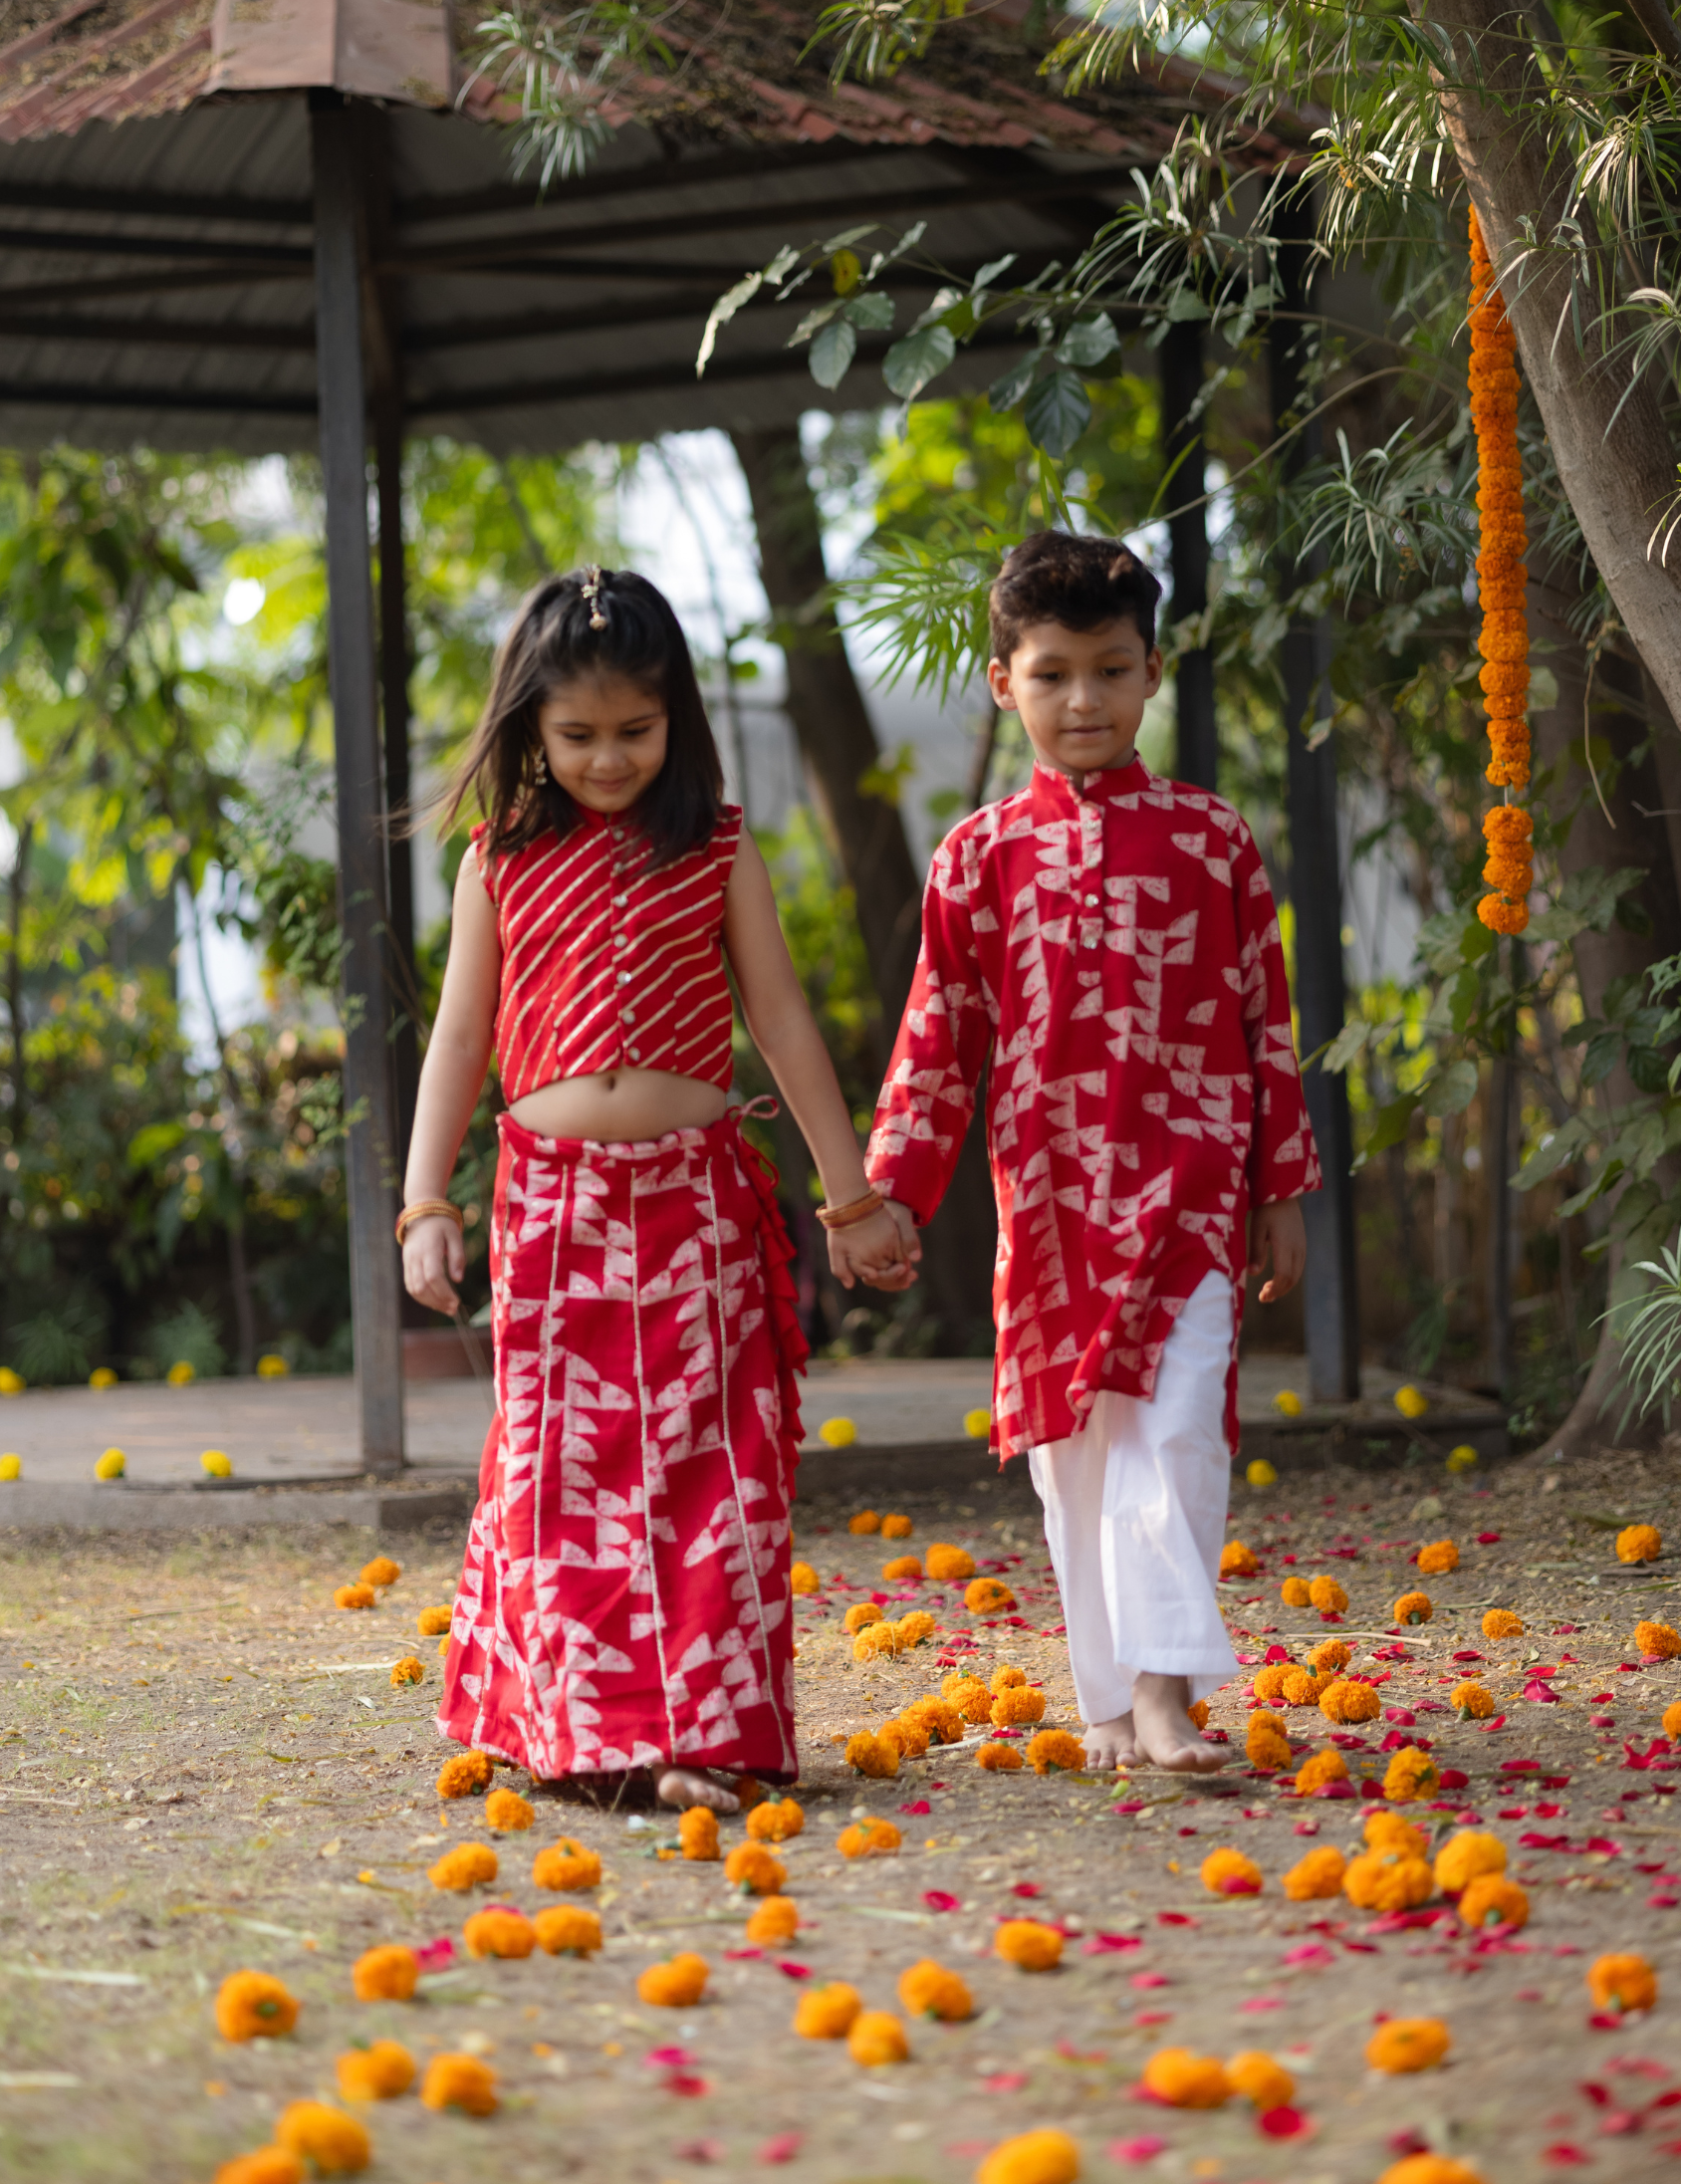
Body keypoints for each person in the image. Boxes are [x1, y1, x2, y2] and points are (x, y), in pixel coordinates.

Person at [399, 562, 914, 1812]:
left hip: (699, 1206)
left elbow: (781, 1024)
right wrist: (425, 1205)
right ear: (530, 726)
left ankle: (699, 1733)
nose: (609, 758)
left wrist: (850, 1199)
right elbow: (458, 1039)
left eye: (635, 729)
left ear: (675, 715)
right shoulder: (497, 860)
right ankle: (588, 1733)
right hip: (551, 1209)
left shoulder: (720, 848)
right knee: (560, 1470)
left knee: (708, 1468)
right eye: (577, 735)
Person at [865, 529, 1320, 1775]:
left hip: (1192, 1194)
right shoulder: (976, 858)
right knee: (1072, 1457)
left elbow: (1263, 1019)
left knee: (1178, 1432)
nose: (1084, 700)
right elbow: (937, 1038)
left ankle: (1164, 1696)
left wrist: (1279, 1187)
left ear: (1152, 672)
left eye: (1111, 670)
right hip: (1052, 1205)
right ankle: (1109, 1702)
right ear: (1001, 682)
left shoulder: (1214, 841)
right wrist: (889, 1194)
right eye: (1053, 673)